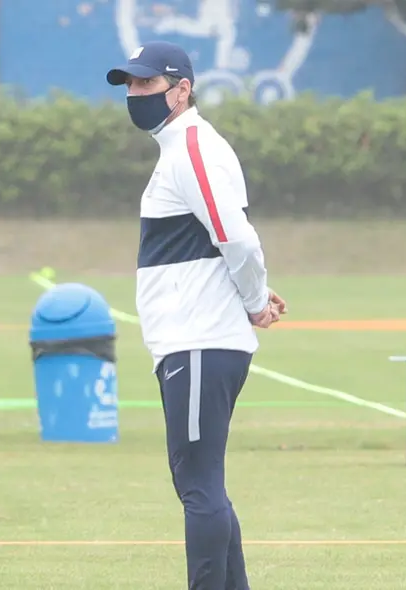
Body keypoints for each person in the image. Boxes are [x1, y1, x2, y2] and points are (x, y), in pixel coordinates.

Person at [106, 40, 285, 590]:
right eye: (131, 85)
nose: (137, 95)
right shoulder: (182, 149)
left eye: (148, 84)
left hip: (199, 341)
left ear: (181, 90)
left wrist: (255, 299)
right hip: (192, 340)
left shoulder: (192, 148)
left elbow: (236, 237)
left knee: (199, 485)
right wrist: (254, 291)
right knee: (203, 482)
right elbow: (218, 242)